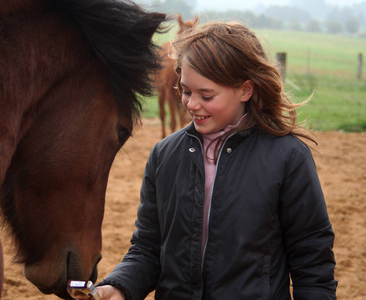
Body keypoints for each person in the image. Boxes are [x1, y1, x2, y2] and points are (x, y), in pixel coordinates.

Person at [96, 21, 337, 300]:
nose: (191, 104)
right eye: (185, 91)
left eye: (206, 95)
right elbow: (148, 249)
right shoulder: (164, 156)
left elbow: (313, 262)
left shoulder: (288, 158)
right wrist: (119, 287)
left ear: (246, 90)